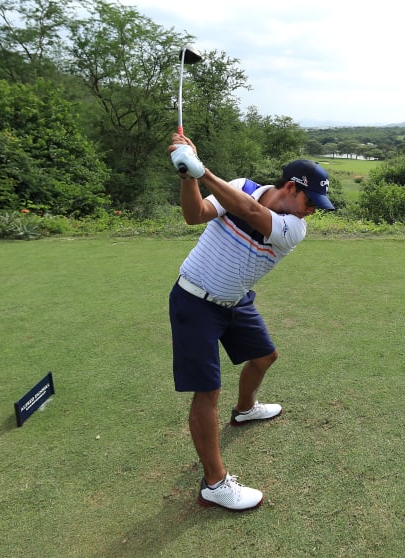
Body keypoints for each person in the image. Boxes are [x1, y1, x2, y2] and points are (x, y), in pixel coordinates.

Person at [167, 133, 334, 511]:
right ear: (291, 188)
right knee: (207, 392)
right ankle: (214, 485)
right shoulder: (241, 186)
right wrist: (187, 176)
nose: (313, 211)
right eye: (310, 202)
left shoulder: (295, 227)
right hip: (194, 300)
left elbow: (252, 214)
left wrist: (202, 170)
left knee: (265, 356)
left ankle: (244, 410)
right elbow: (195, 215)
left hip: (234, 300)